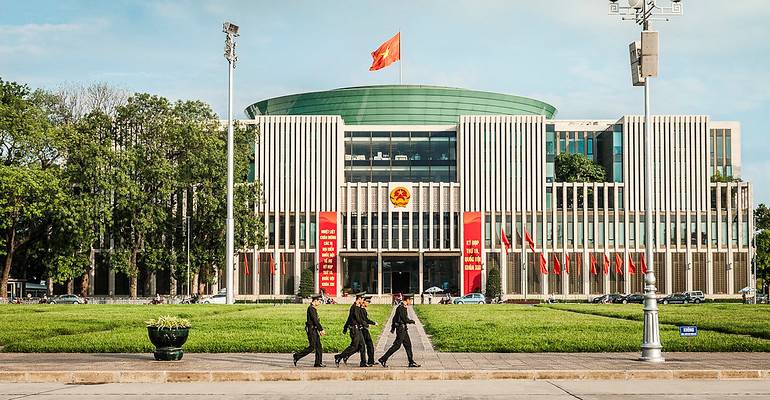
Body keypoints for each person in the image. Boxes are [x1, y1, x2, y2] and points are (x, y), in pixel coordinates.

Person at [378, 294, 420, 368]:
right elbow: (403, 319)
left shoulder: (402, 307)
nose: (411, 302)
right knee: (397, 346)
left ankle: (411, 362)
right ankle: (383, 359)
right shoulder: (401, 308)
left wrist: (393, 328)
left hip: (403, 329)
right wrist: (412, 321)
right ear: (407, 300)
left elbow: (395, 318)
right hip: (401, 329)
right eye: (410, 300)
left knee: (408, 345)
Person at [335, 292, 367, 367]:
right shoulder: (354, 307)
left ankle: (363, 363)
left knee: (362, 345)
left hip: (358, 329)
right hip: (354, 329)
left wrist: (345, 327)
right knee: (354, 346)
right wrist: (364, 324)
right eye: (362, 299)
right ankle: (339, 356)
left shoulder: (357, 307)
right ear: (359, 299)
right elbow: (356, 318)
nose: (363, 301)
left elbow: (350, 318)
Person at [293, 294, 326, 367]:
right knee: (312, 347)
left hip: (314, 329)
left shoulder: (313, 308)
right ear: (315, 301)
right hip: (311, 330)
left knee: (319, 347)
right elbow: (315, 321)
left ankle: (318, 363)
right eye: (319, 301)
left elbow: (316, 321)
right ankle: (297, 356)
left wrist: (318, 329)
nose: (320, 303)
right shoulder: (311, 309)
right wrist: (321, 330)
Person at [360, 296, 377, 366]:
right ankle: (342, 356)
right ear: (364, 301)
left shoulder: (363, 310)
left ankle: (371, 361)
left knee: (370, 345)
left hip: (365, 329)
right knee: (360, 347)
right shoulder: (360, 310)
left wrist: (373, 323)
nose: (369, 304)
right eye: (368, 302)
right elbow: (362, 320)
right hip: (362, 329)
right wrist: (368, 324)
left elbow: (366, 319)